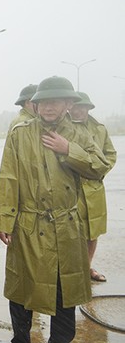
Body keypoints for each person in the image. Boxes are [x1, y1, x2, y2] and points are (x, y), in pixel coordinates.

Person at [0, 76, 111, 343]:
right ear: (35, 104)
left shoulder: (81, 133)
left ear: (68, 104)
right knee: (23, 286)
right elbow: (9, 176)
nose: (48, 107)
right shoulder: (20, 133)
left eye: (55, 101)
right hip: (29, 223)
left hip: (67, 224)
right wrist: (5, 221)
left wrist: (68, 149)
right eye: (43, 101)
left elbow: (99, 167)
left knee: (65, 287)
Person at [69, 91, 117, 283]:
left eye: (82, 107)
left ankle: (87, 267)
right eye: (75, 106)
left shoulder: (100, 129)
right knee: (72, 232)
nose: (78, 110)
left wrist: (99, 172)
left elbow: (110, 154)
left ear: (89, 109)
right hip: (72, 188)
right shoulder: (64, 127)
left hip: (94, 189)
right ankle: (72, 270)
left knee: (92, 231)